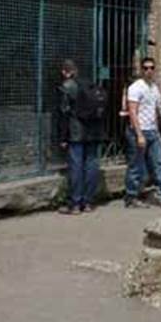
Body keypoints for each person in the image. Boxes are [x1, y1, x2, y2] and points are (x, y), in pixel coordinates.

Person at [124, 56, 161, 209]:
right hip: (139, 131)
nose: (149, 71)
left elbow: (156, 111)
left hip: (153, 131)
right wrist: (139, 134)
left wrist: (159, 131)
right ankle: (131, 197)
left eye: (151, 68)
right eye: (145, 68)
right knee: (136, 166)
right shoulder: (136, 87)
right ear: (141, 70)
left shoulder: (154, 88)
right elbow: (132, 112)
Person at [57, 59, 102, 215]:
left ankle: (75, 204)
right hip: (93, 131)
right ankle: (88, 202)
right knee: (91, 164)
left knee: (76, 166)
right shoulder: (90, 84)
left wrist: (62, 137)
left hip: (76, 132)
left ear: (65, 72)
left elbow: (64, 113)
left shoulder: (67, 86)